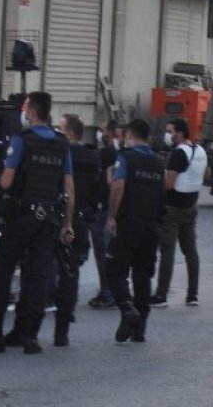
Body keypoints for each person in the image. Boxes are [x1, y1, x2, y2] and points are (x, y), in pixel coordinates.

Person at [0, 92, 75, 355]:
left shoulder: (22, 140)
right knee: (38, 277)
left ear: (31, 112)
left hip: (20, 216)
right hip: (49, 219)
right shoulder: (62, 143)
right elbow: (68, 188)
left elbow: (6, 182)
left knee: (4, 271)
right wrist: (67, 223)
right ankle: (30, 336)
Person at [106, 119, 164, 343]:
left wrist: (112, 215)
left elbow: (118, 186)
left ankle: (127, 308)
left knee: (115, 271)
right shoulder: (159, 161)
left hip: (128, 223)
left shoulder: (126, 157)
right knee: (143, 276)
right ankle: (140, 329)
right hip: (152, 225)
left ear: (130, 136)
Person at [52, 113, 98, 346]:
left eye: (60, 129)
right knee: (72, 271)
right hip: (82, 221)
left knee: (49, 268)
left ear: (71, 133)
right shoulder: (93, 156)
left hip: (60, 218)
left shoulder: (60, 153)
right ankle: (64, 322)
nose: (57, 133)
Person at [153, 117, 206, 307]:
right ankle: (192, 295)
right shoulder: (199, 150)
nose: (168, 135)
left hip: (173, 208)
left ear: (180, 133)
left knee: (167, 251)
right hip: (191, 206)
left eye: (170, 131)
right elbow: (205, 175)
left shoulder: (177, 154)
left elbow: (169, 184)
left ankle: (161, 296)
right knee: (191, 252)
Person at [87, 120, 121, 309]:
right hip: (110, 208)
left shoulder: (107, 153)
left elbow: (109, 182)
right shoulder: (119, 151)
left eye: (102, 129)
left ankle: (107, 292)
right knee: (108, 252)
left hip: (104, 208)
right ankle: (109, 290)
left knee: (102, 251)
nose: (100, 133)